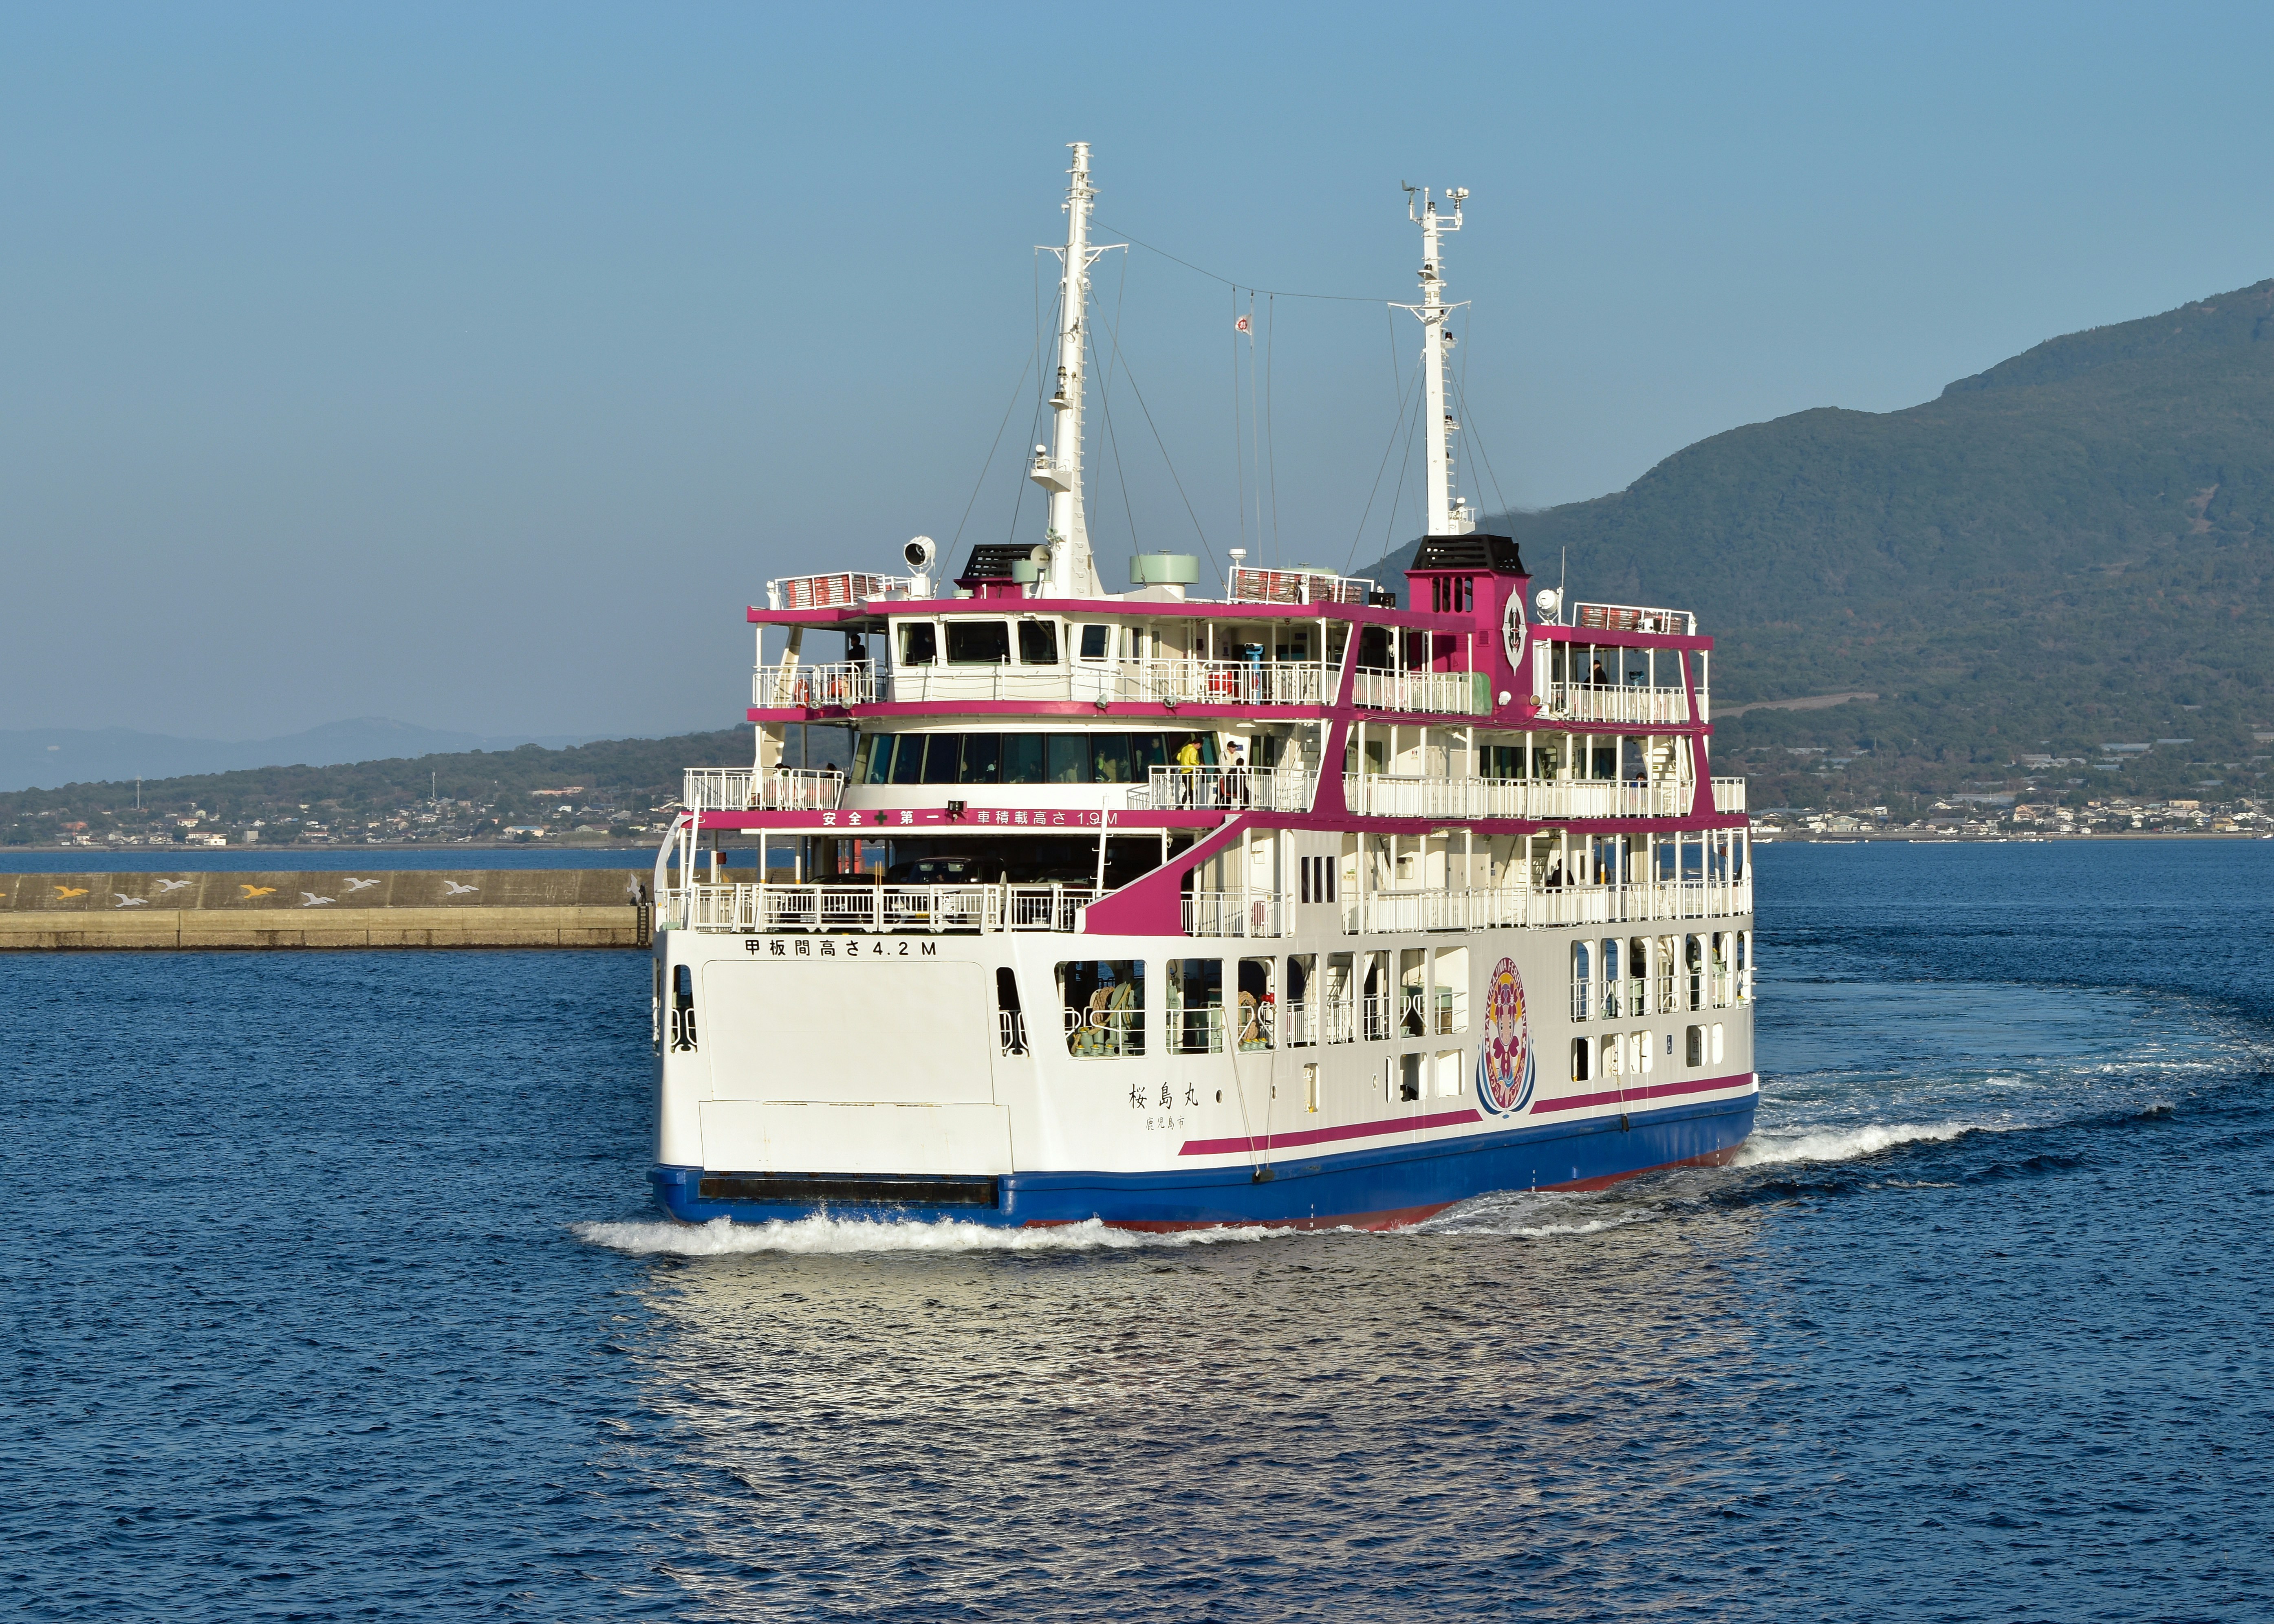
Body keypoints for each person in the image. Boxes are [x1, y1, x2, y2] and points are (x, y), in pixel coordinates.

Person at [1175, 735, 1203, 808]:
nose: (1199, 748)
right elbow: (1192, 760)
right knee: (1191, 790)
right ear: (1198, 744)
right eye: (1200, 747)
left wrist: (1184, 762)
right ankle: (1187, 806)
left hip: (1184, 771)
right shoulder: (1193, 750)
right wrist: (1199, 764)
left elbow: (1178, 757)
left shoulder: (1185, 748)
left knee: (1190, 790)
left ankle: (1186, 806)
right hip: (1190, 771)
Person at [1221, 739, 1250, 809]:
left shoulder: (1237, 755)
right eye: (1232, 747)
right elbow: (1222, 766)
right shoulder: (1223, 754)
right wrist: (1227, 775)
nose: (1234, 749)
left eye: (1235, 747)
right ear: (1228, 748)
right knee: (1247, 793)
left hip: (1231, 780)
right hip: (1227, 779)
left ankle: (1241, 807)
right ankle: (1242, 808)